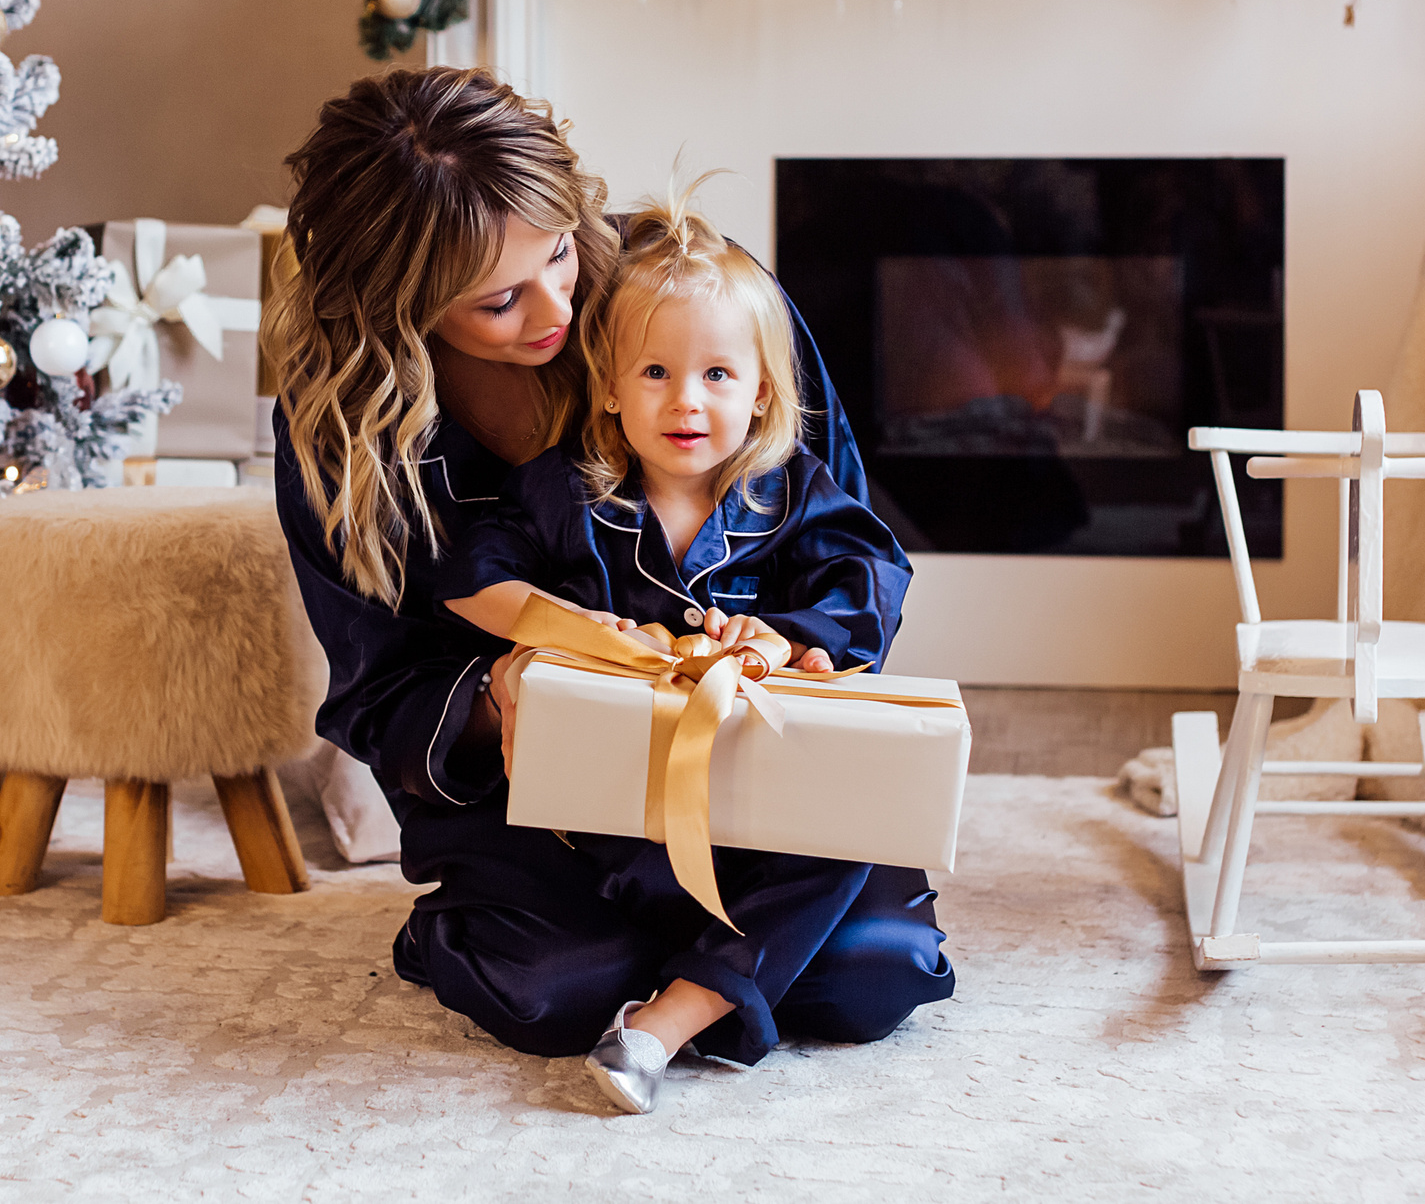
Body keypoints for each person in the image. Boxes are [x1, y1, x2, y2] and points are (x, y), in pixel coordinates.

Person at [264, 66, 953, 1108]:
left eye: (557, 256)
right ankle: (619, 949)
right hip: (535, 805)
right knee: (553, 991)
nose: (557, 308)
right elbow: (374, 690)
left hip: (751, 770)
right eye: (498, 300)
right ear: (392, 304)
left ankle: (683, 988)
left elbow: (844, 542)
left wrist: (784, 645)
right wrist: (497, 701)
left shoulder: (700, 300)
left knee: (877, 972)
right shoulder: (339, 436)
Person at [440, 185, 925, 1112]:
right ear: (611, 387)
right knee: (569, 948)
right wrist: (563, 626)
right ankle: (692, 979)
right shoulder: (564, 490)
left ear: (761, 392)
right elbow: (471, 575)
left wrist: (786, 642)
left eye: (716, 375)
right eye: (655, 372)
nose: (686, 400)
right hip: (624, 814)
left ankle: (661, 1023)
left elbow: (869, 578)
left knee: (857, 838)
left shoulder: (793, 492)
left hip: (770, 803)